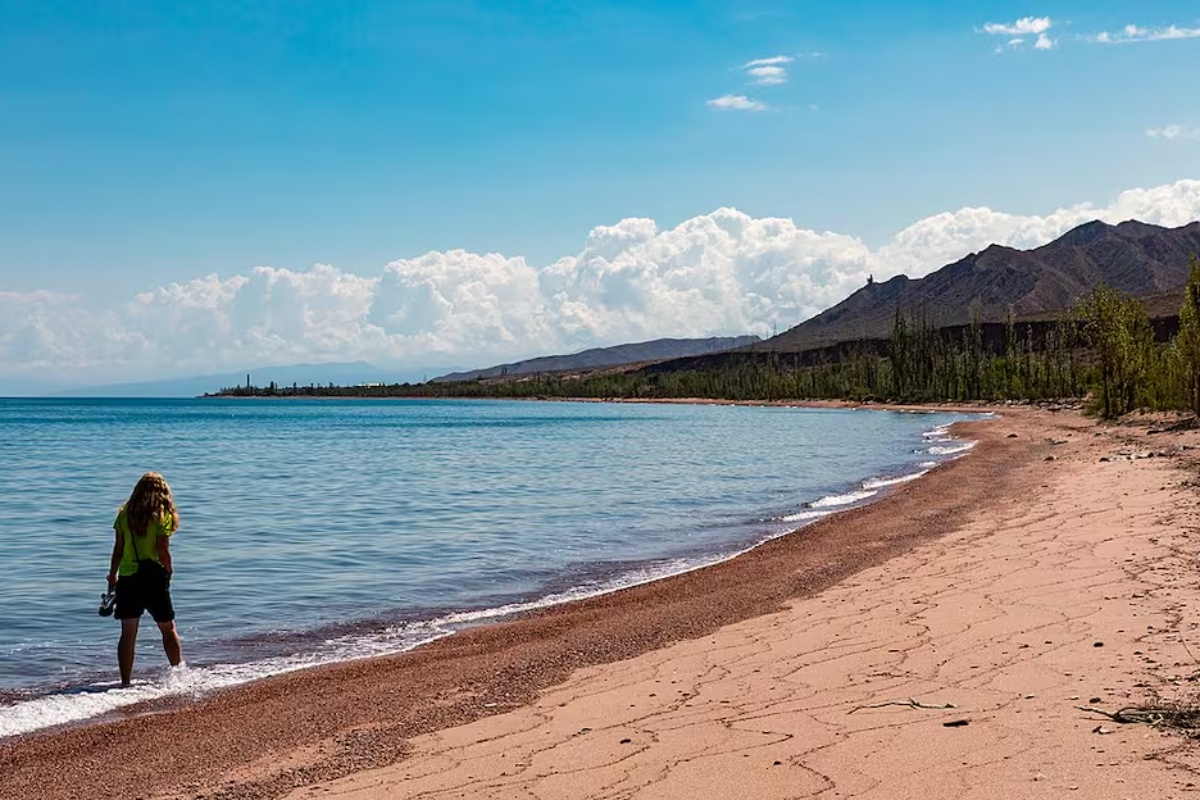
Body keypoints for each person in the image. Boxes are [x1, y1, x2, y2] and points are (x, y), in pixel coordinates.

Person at [106, 472, 183, 686]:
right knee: (167, 627)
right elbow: (163, 550)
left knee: (128, 633)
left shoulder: (124, 514)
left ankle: (125, 682)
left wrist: (112, 575)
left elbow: (118, 549)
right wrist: (169, 570)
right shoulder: (161, 515)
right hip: (153, 577)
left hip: (128, 577)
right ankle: (178, 674)